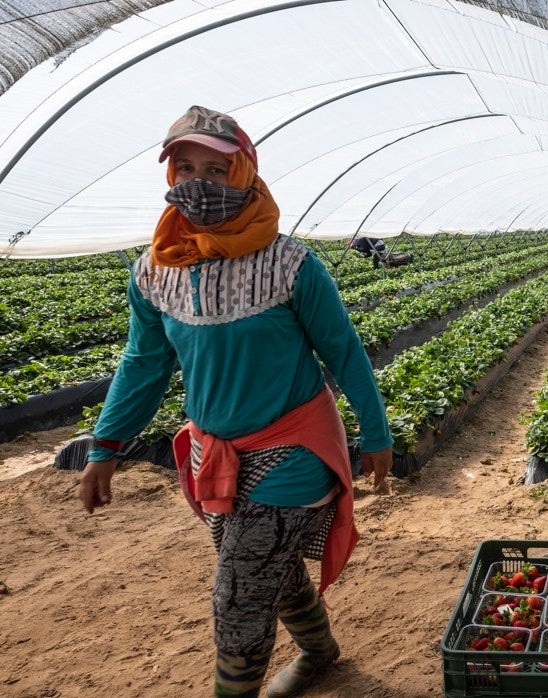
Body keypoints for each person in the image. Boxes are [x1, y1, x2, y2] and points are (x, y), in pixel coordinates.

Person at [76, 105, 394, 698]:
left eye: (218, 170)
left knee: (239, 594)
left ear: (246, 171)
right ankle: (320, 652)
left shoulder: (289, 265)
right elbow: (143, 363)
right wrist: (107, 445)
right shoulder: (156, 270)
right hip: (212, 452)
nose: (201, 184)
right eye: (187, 167)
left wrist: (375, 434)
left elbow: (344, 352)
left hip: (292, 445)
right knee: (261, 562)